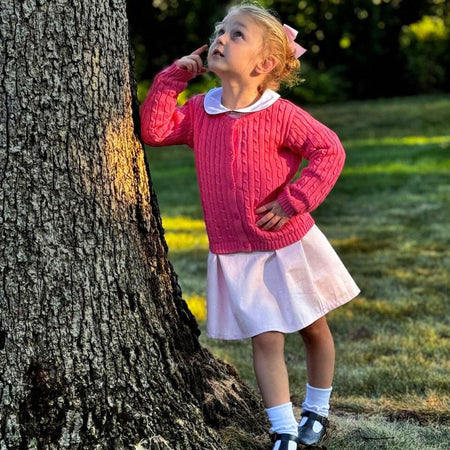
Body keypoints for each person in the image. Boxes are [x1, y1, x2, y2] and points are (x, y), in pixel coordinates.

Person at [141, 2, 360, 448]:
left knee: (313, 328)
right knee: (266, 339)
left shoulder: (280, 114)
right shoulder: (202, 110)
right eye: (220, 29)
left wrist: (294, 199)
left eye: (235, 34)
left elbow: (329, 150)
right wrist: (172, 79)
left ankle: (317, 409)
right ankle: (283, 430)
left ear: (263, 64)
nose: (220, 37)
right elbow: (156, 131)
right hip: (236, 250)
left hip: (287, 243)